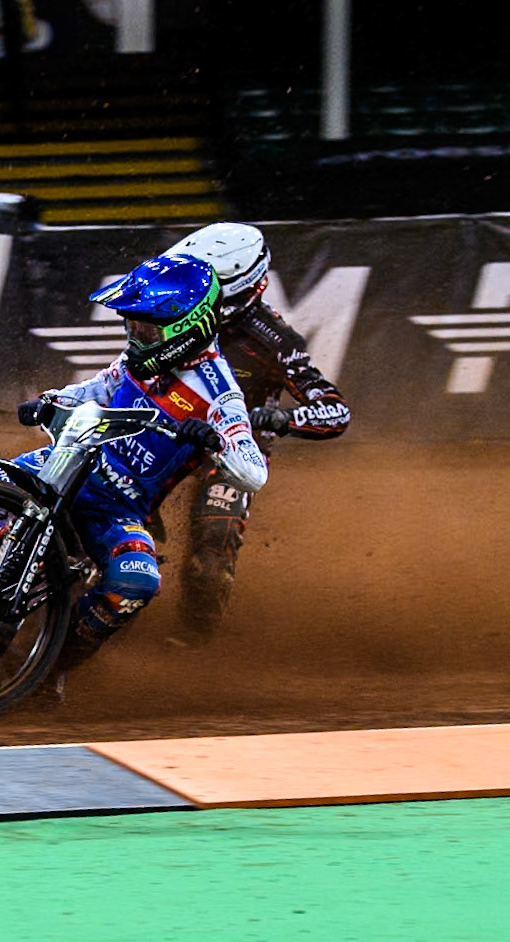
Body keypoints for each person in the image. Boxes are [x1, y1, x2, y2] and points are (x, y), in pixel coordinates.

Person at [0, 255, 268, 670]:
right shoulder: (138, 360)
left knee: (136, 582)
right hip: (64, 465)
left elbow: (254, 471)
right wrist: (50, 400)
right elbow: (96, 388)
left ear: (188, 328)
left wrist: (216, 441)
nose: (135, 338)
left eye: (146, 331)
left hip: (117, 510)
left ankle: (49, 668)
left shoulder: (220, 395)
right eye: (132, 326)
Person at [160, 223, 350, 639]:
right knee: (92, 497)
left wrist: (280, 420)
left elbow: (335, 411)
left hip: (232, 448)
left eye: (213, 287)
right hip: (170, 426)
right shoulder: (171, 308)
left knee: (212, 548)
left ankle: (191, 644)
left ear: (243, 287)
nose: (200, 294)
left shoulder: (276, 341)